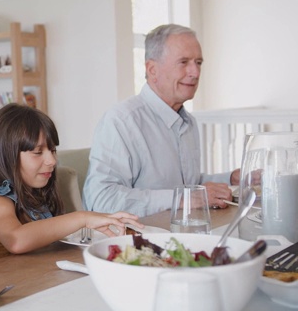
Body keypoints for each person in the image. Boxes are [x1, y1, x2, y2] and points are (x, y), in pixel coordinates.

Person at [83, 24, 240, 218]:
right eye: (184, 62)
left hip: (184, 234)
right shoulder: (121, 121)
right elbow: (101, 200)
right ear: (152, 69)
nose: (195, 72)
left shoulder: (188, 122)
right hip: (140, 242)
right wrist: (183, 199)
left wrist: (231, 178)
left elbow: (183, 184)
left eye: (198, 62)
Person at [0, 103, 143, 260]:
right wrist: (82, 218)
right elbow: (16, 240)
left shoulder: (37, 194)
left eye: (52, 150)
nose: (52, 161)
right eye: (38, 152)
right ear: (7, 156)